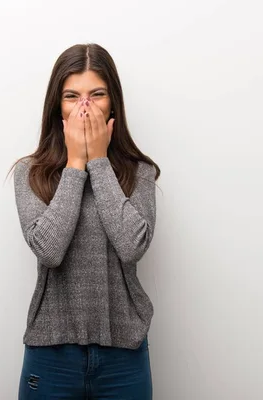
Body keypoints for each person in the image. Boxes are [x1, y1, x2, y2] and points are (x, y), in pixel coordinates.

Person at [9, 43, 160, 399]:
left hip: (124, 353)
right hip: (51, 354)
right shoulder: (29, 174)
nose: (85, 106)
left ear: (113, 103)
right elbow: (48, 250)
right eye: (72, 96)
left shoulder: (140, 173)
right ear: (57, 106)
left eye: (97, 94)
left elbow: (132, 246)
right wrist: (75, 164)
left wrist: (99, 162)